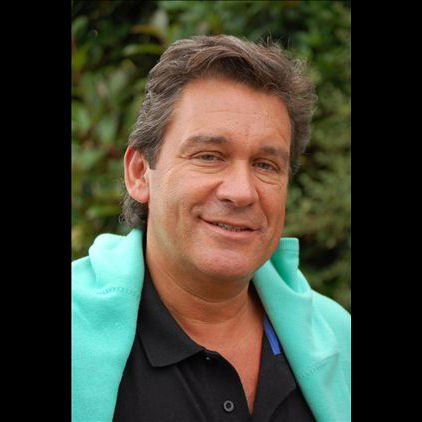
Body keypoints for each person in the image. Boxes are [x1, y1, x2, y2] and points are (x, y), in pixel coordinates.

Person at [72, 35, 351, 422]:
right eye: (209, 156)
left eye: (265, 165)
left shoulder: (339, 338)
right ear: (139, 173)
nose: (241, 192)